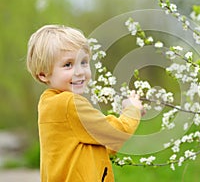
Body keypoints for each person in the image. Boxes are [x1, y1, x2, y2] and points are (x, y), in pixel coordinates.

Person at [26, 25, 144, 182]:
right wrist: (132, 109)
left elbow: (93, 144)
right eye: (68, 64)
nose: (79, 71)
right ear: (43, 74)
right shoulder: (69, 103)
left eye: (83, 62)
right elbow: (115, 132)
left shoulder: (47, 103)